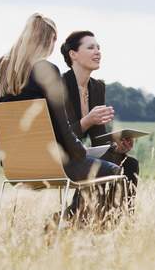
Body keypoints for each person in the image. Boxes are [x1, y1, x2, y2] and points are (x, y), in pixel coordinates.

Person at [0, 13, 121, 222]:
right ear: (46, 40)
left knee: (98, 166)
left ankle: (66, 223)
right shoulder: (46, 70)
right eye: (53, 41)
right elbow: (61, 128)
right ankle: (81, 229)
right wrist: (80, 150)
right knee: (113, 172)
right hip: (52, 164)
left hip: (16, 165)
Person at [60, 30, 140, 207]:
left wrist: (116, 146)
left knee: (130, 163)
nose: (97, 52)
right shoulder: (59, 86)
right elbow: (59, 136)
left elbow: (98, 139)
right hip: (61, 156)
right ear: (73, 54)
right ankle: (75, 216)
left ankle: (119, 221)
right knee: (103, 165)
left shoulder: (97, 88)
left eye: (98, 47)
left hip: (83, 154)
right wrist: (87, 121)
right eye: (90, 47)